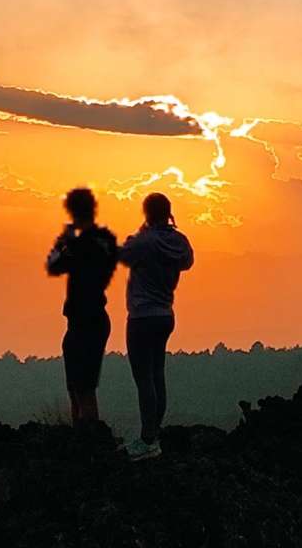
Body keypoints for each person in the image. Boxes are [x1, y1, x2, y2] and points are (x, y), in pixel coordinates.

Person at [118, 192, 194, 461]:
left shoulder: (145, 242)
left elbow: (122, 255)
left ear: (147, 212)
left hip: (141, 317)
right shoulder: (180, 242)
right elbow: (187, 262)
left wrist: (139, 234)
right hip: (165, 315)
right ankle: (155, 435)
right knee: (157, 375)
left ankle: (148, 439)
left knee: (144, 379)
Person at [46, 188, 118, 426]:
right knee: (79, 385)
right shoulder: (102, 239)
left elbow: (54, 265)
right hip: (88, 319)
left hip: (86, 320)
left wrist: (63, 241)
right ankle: (84, 434)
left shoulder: (83, 244)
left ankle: (88, 437)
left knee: (83, 387)